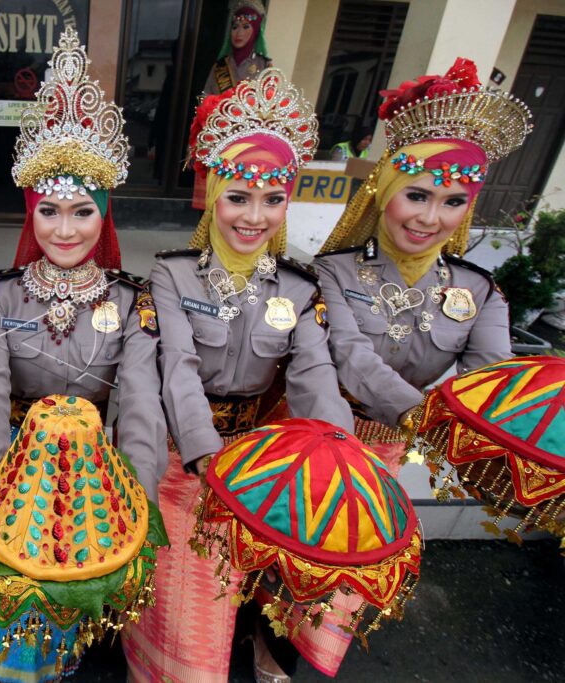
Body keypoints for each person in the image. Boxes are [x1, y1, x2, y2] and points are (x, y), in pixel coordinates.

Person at [121, 68, 355, 683]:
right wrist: (207, 459)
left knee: (271, 568)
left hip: (259, 458)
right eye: (239, 197)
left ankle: (260, 641)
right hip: (184, 459)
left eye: (274, 199)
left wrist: (340, 451)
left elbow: (314, 374)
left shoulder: (300, 288)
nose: (255, 217)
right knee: (189, 620)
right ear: (212, 195)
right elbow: (178, 369)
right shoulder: (172, 276)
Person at [307, 57, 532, 679]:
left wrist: (517, 437)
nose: (430, 217)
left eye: (453, 200)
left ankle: (308, 653)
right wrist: (430, 415)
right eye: (417, 194)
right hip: (322, 438)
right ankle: (268, 645)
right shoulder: (330, 274)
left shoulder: (480, 289)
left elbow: (492, 381)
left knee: (354, 570)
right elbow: (347, 359)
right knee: (292, 555)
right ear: (383, 188)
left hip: (397, 453)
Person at [0, 26, 168, 682]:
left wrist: (136, 497)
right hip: (14, 482)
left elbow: (139, 405)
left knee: (69, 622)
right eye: (49, 210)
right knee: (13, 635)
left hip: (91, 485)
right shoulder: (0, 295)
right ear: (31, 212)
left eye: (83, 211)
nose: (66, 228)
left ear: (103, 216)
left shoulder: (133, 301)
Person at [193, 0, 272, 210]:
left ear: (256, 31)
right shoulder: (220, 66)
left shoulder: (265, 66)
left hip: (246, 143)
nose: (238, 32)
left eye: (246, 27)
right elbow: (204, 99)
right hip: (217, 138)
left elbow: (268, 106)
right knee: (211, 201)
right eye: (235, 26)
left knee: (236, 198)